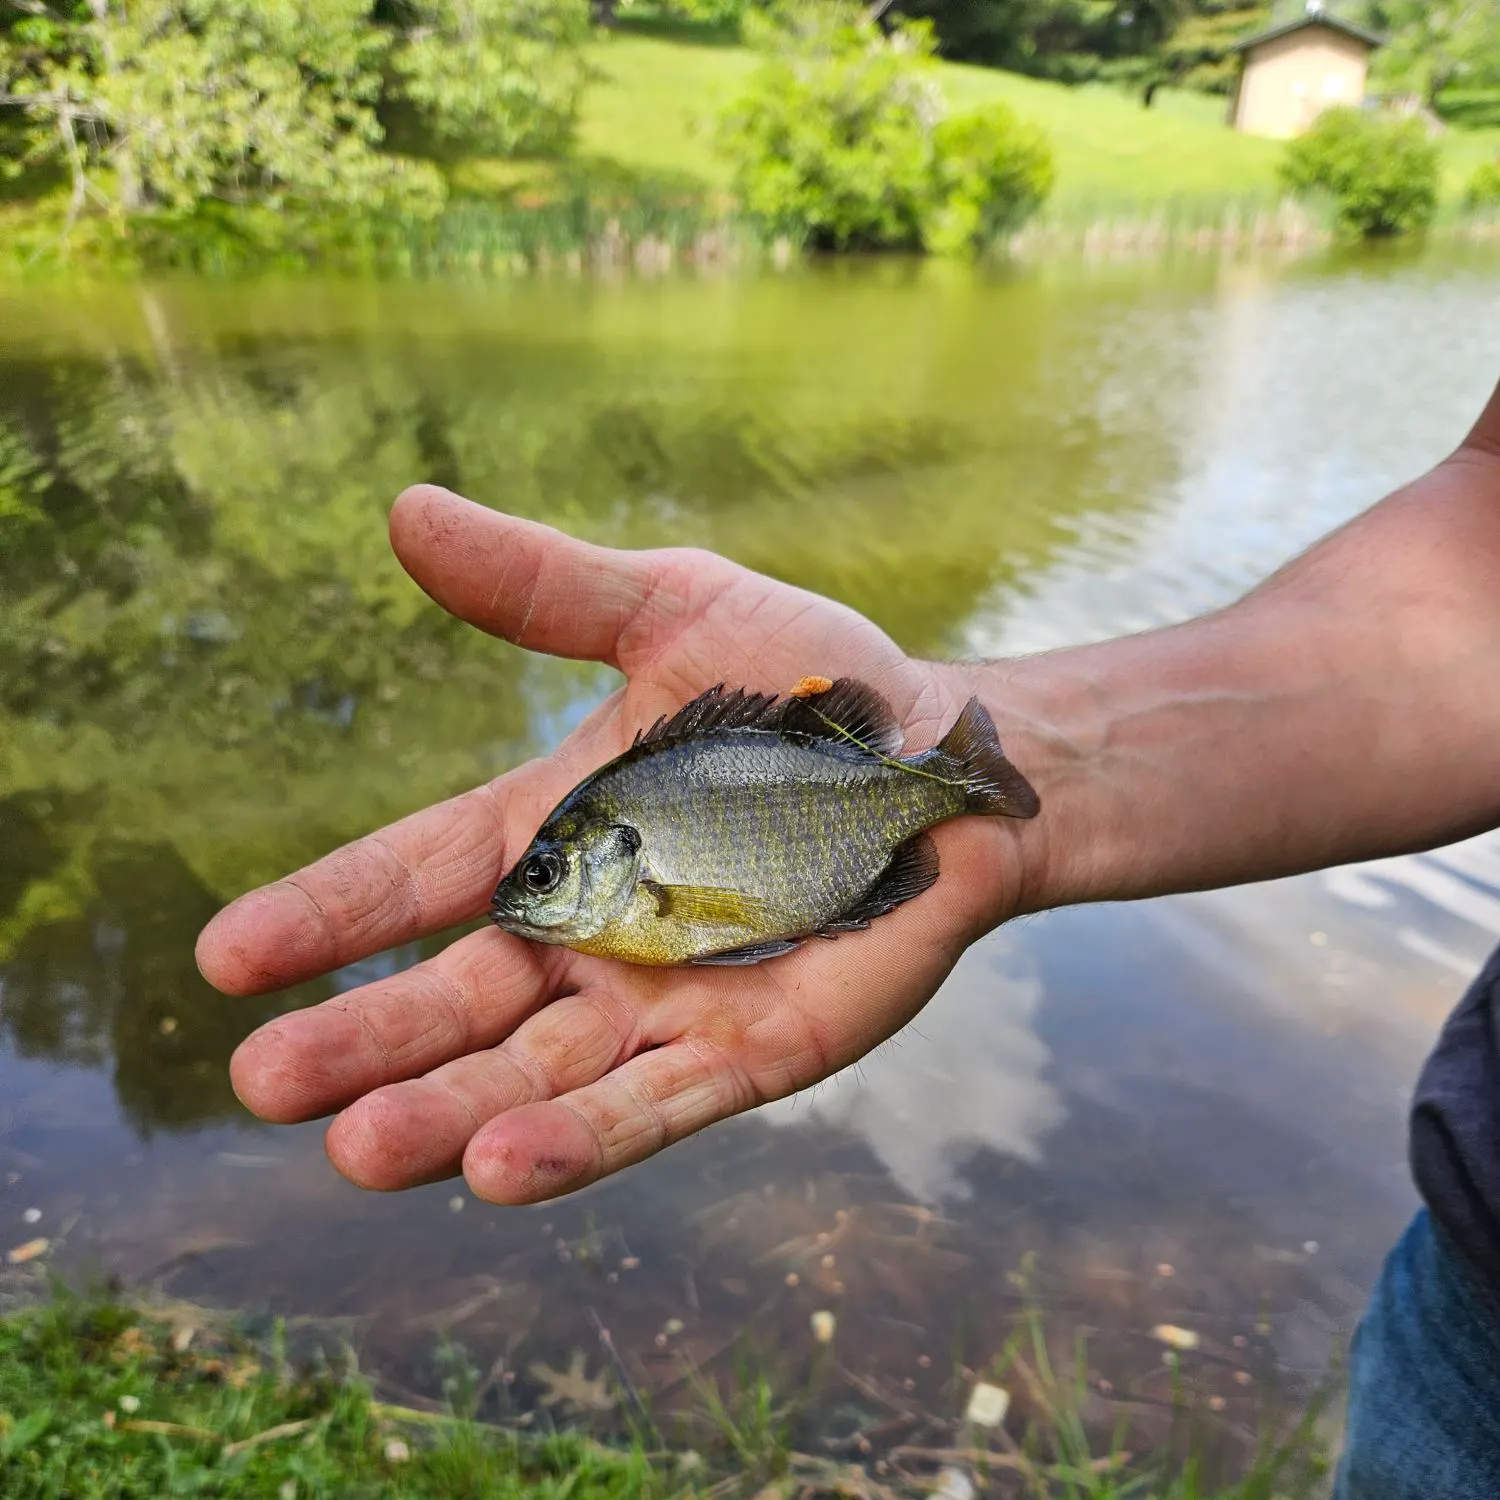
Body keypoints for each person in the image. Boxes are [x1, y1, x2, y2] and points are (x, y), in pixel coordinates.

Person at [197, 378, 1500, 1495]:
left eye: (548, 876)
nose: (530, 896)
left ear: (605, 870)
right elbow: (1471, 565)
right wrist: (1045, 769)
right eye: (541, 875)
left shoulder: (645, 875)